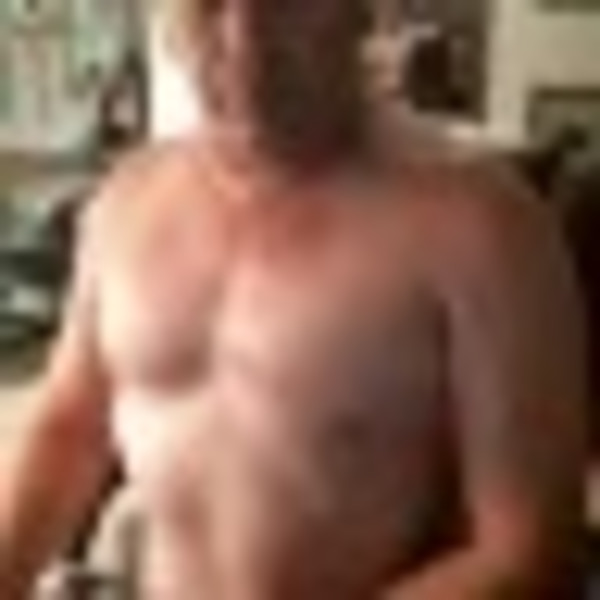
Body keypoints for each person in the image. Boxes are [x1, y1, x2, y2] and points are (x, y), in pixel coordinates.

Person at [0, 0, 585, 598]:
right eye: (208, 8)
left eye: (287, 7)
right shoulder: (128, 201)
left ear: (363, 13)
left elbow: (529, 549)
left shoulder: (483, 225)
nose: (246, 49)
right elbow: (71, 429)